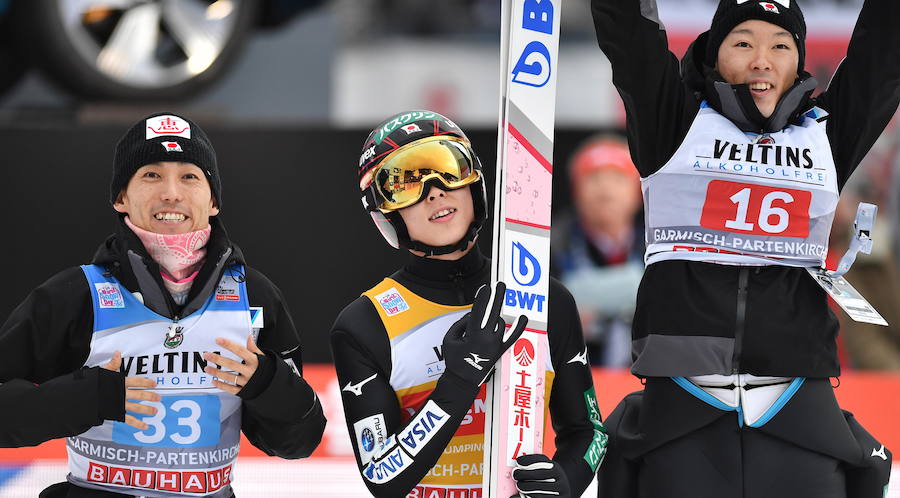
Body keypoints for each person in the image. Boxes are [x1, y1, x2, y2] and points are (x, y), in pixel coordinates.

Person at [591, 0, 897, 496]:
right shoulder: (671, 121)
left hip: (799, 411)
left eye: (780, 45)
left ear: (799, 63)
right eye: (743, 43)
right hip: (684, 412)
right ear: (715, 55)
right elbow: (629, 34)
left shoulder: (826, 135)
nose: (762, 60)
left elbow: (883, 57)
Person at [0, 112, 326, 497]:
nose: (171, 192)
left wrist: (267, 384)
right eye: (151, 175)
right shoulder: (75, 294)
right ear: (121, 197)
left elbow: (298, 442)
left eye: (190, 176)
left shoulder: (254, 296)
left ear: (213, 200)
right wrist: (86, 399)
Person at [330, 110, 607, 497]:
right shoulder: (365, 324)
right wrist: (461, 378)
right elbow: (380, 475)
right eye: (405, 183)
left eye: (448, 167)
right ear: (385, 214)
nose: (434, 191)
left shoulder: (547, 299)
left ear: (474, 182)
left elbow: (589, 432)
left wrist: (566, 480)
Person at [551, 136, 645, 367]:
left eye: (618, 178)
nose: (605, 190)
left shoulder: (661, 247)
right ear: (575, 190)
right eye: (593, 178)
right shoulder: (550, 248)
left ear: (639, 192)